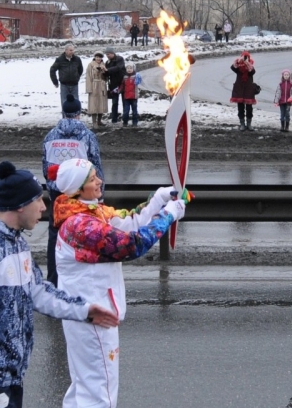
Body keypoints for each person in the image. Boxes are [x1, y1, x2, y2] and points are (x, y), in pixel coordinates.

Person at [0, 161, 119, 408]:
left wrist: (84, 310)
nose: (44, 207)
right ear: (20, 205)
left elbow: (37, 291)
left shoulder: (17, 244)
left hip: (10, 374)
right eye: (38, 200)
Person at [52, 158, 187, 408]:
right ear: (78, 189)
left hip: (87, 314)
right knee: (99, 395)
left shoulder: (87, 212)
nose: (99, 181)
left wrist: (158, 200)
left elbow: (128, 223)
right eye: (92, 179)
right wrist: (169, 214)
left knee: (84, 388)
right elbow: (130, 245)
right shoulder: (81, 226)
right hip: (94, 317)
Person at [42, 96, 104, 286]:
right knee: (82, 235)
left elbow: (46, 168)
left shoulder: (50, 136)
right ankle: (79, 282)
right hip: (81, 194)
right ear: (78, 113)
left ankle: (54, 281)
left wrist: (53, 186)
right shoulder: (87, 136)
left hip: (58, 194)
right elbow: (96, 166)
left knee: (55, 236)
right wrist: (100, 193)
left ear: (63, 112)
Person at [230, 51, 257, 131]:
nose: (245, 58)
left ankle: (249, 124)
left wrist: (247, 63)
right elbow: (232, 67)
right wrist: (238, 61)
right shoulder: (238, 67)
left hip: (248, 89)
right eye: (244, 56)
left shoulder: (250, 66)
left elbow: (252, 72)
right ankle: (242, 124)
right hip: (239, 89)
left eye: (247, 57)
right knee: (240, 108)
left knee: (249, 108)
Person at [85, 50, 109, 128]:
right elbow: (88, 77)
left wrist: (105, 72)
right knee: (94, 104)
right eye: (97, 57)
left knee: (101, 104)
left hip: (102, 86)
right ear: (94, 57)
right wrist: (89, 88)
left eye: (100, 57)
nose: (98, 58)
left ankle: (99, 121)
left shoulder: (104, 65)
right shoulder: (90, 65)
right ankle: (94, 122)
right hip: (94, 86)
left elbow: (106, 77)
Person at [103, 46, 126, 124]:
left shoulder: (120, 59)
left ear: (113, 53)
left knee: (124, 102)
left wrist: (108, 70)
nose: (107, 56)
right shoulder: (107, 62)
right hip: (113, 85)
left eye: (109, 54)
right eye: (106, 54)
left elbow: (118, 68)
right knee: (114, 103)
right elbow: (107, 73)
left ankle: (125, 119)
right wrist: (103, 71)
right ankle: (114, 120)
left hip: (122, 83)